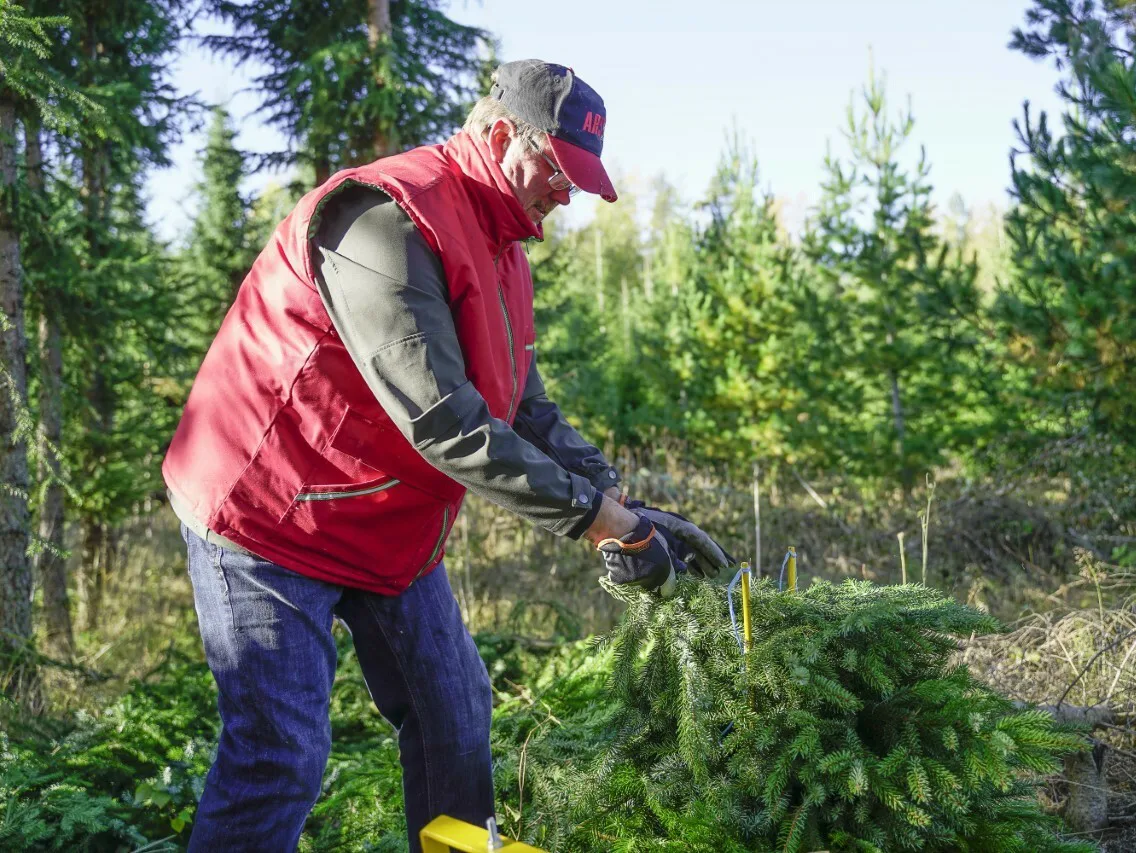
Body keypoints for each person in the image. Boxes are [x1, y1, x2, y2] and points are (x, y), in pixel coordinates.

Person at [162, 59, 732, 851]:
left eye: (583, 180)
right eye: (560, 171)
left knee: (455, 721)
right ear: (502, 134)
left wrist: (621, 503)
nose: (567, 194)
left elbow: (522, 408)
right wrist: (594, 520)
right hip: (269, 514)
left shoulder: (506, 254)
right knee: (281, 756)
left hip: (381, 523)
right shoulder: (384, 219)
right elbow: (448, 422)